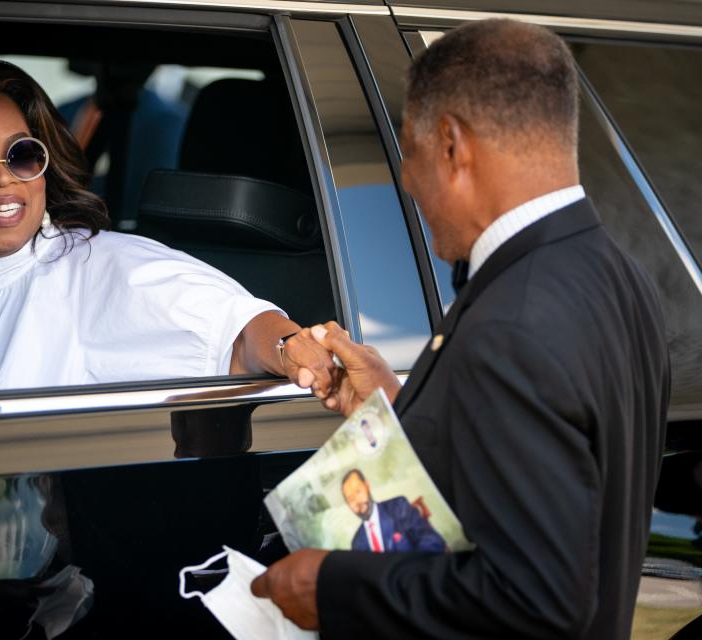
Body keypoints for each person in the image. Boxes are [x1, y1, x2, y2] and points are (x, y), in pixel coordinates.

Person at [252, 19, 669, 639]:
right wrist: (395, 409)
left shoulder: (513, 320)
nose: (406, 180)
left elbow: (538, 602)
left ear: (452, 144)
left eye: (409, 151)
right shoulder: (617, 274)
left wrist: (332, 588)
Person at [0, 60, 330, 391]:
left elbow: (237, 334)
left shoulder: (102, 266)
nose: (4, 178)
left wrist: (288, 346)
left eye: (22, 155)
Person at [341, 469, 445, 553]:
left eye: (358, 491)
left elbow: (431, 539)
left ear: (367, 486)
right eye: (350, 499)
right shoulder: (357, 543)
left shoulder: (398, 507)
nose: (357, 501)